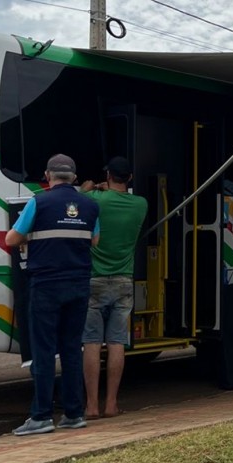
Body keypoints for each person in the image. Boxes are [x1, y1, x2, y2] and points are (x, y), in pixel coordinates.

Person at [5, 154, 100, 436]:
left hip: (46, 285)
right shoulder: (90, 205)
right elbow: (95, 240)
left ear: (48, 176)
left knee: (44, 351)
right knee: (72, 349)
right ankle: (73, 414)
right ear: (74, 177)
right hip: (79, 284)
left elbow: (11, 239)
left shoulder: (38, 202)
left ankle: (42, 416)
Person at [79, 156, 148, 419]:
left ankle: (91, 406)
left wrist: (88, 189)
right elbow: (122, 195)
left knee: (92, 343)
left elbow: (81, 199)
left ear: (107, 175)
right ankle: (111, 404)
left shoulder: (93, 200)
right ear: (130, 178)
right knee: (117, 342)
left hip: (93, 278)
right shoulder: (141, 204)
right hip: (123, 280)